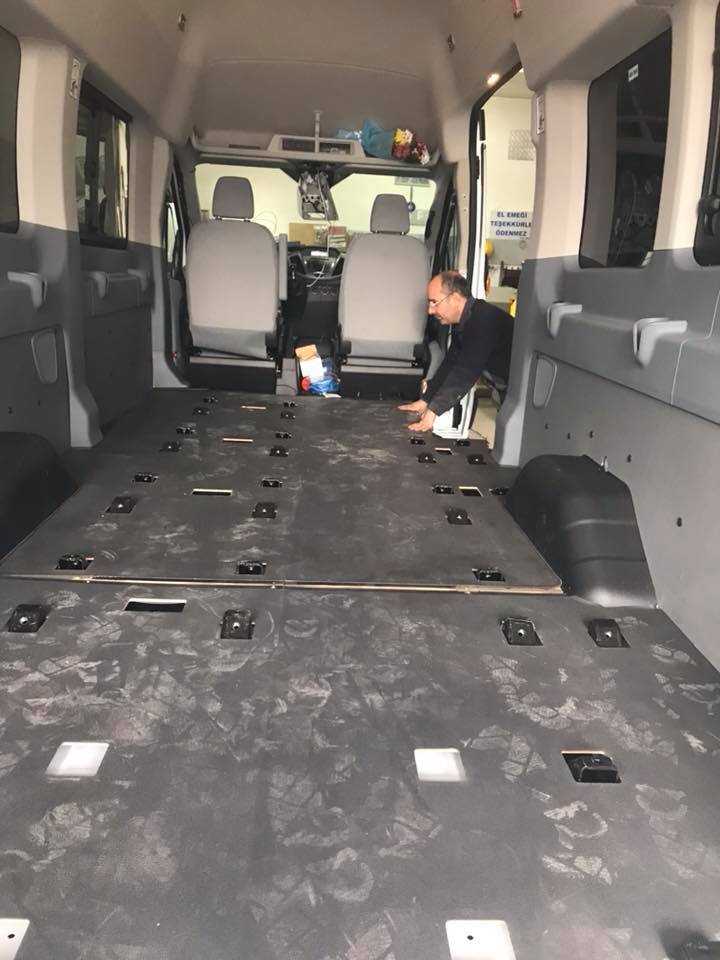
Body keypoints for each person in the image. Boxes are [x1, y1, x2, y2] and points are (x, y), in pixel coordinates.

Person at [399, 270, 513, 433]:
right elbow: (451, 363)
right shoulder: (466, 320)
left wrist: (433, 412)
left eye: (434, 302)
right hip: (509, 389)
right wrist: (425, 400)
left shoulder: (483, 319)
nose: (430, 310)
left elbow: (465, 372)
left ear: (455, 298)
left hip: (527, 391)